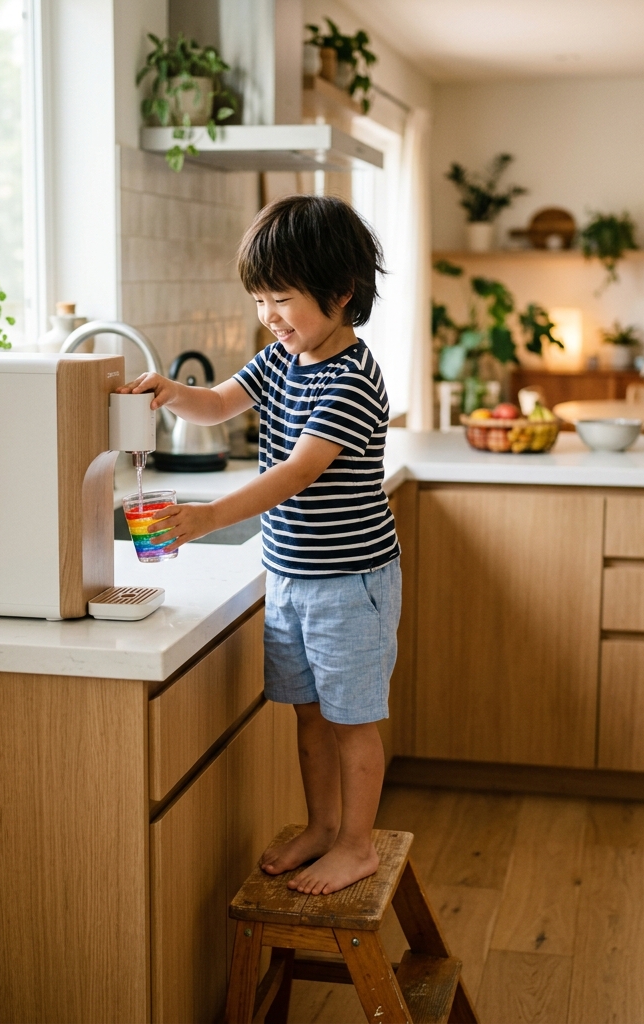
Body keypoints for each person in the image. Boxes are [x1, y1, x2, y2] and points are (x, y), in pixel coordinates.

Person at [118, 194, 400, 896]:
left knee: (352, 721)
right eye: (260, 299)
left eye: (282, 299)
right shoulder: (280, 360)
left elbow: (299, 470)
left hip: (350, 582)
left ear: (340, 295)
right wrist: (169, 391)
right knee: (309, 715)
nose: (270, 317)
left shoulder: (353, 378)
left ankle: (357, 846)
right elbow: (216, 404)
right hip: (294, 577)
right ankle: (322, 826)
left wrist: (207, 517)